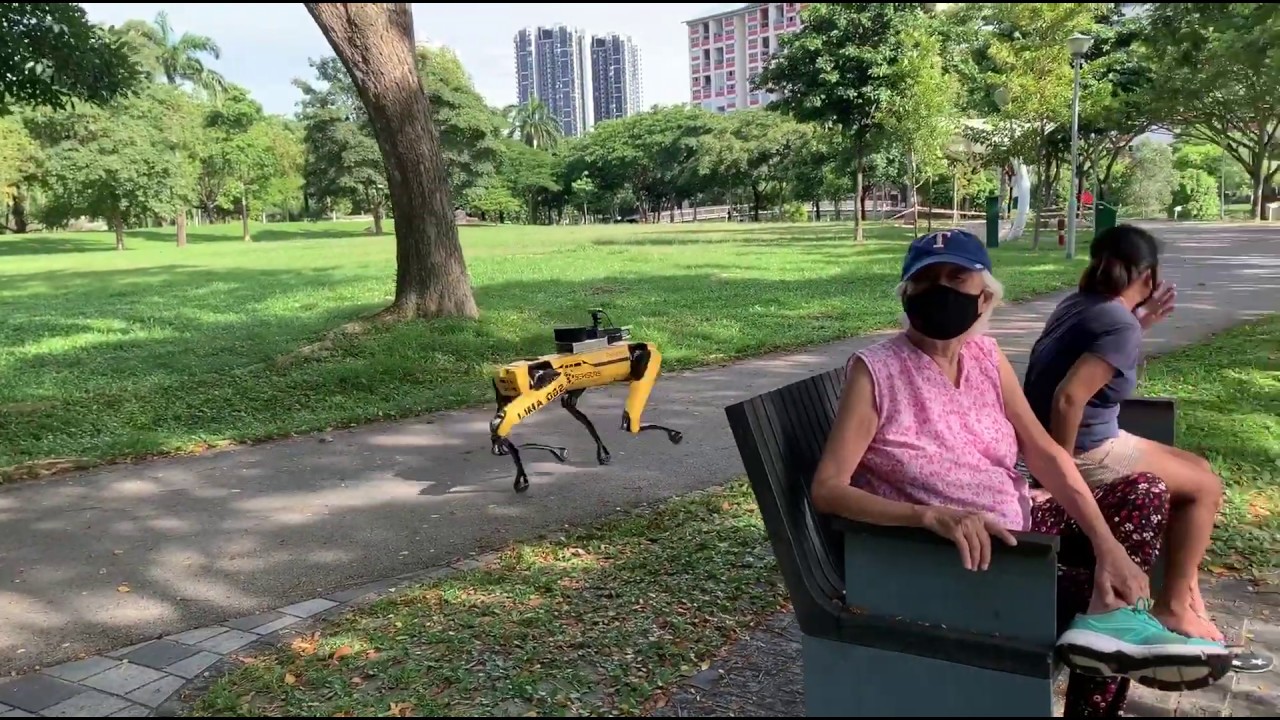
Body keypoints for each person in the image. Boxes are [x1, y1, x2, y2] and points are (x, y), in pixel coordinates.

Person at [810, 228, 1228, 718]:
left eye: (956, 277)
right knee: (1112, 609)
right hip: (962, 559)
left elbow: (1047, 453)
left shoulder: (985, 356)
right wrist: (929, 516)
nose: (941, 289)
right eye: (926, 280)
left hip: (1022, 525)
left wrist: (1106, 545)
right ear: (907, 293)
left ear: (983, 294)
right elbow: (828, 489)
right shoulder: (877, 371)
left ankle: (1114, 624)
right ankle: (1116, 632)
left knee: (1145, 492)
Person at [1022, 224, 1227, 643]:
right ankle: (1172, 609)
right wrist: (1056, 477)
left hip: (1084, 438)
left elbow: (1095, 350)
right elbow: (1067, 399)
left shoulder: (1079, 304)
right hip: (1085, 449)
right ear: (1148, 277)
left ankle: (1186, 594)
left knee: (1198, 468)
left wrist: (1139, 322)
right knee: (1206, 487)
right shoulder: (1119, 323)